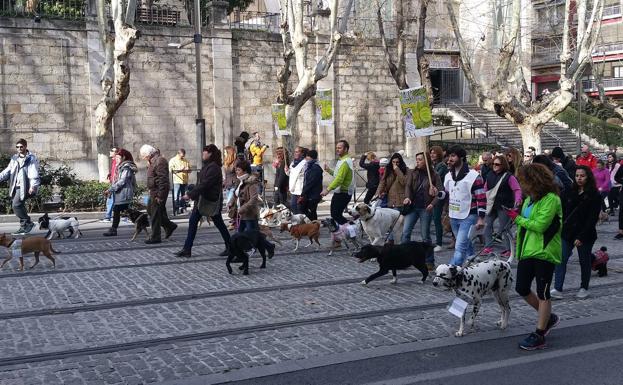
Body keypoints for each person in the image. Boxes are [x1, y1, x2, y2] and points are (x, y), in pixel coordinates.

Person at [507, 163, 562, 350]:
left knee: (543, 292)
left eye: (523, 181)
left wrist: (517, 218)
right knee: (521, 287)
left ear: (534, 181)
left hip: (544, 251)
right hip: (528, 250)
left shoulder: (552, 199)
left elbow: (540, 226)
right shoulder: (530, 199)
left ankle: (540, 333)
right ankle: (548, 317)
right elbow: (527, 224)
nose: (521, 185)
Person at [550, 165, 601, 300]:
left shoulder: (594, 195)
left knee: (584, 261)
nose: (579, 178)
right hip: (568, 232)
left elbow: (592, 219)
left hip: (585, 234)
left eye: (582, 176)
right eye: (577, 175)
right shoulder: (569, 192)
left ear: (588, 177)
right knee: (561, 259)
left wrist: (582, 236)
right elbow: (562, 211)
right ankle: (558, 288)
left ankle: (584, 287)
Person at [175, 145, 231, 258]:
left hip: (209, 201)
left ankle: (231, 246)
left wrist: (190, 195)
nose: (203, 154)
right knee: (193, 222)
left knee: (219, 223)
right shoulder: (209, 166)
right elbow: (201, 183)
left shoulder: (213, 168)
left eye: (204, 152)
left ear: (210, 153)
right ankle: (187, 249)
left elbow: (205, 184)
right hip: (202, 200)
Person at [441, 145, 486, 266]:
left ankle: (450, 271)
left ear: (461, 157)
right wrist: (437, 193)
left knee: (460, 246)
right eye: (449, 156)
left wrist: (481, 218)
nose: (449, 159)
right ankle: (472, 261)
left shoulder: (474, 176)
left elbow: (481, 198)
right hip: (454, 215)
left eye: (453, 156)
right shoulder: (448, 176)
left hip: (469, 215)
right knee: (466, 243)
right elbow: (446, 193)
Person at [402, 152, 442, 270]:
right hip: (413, 207)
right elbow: (408, 187)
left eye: (420, 159)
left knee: (425, 236)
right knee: (405, 233)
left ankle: (429, 261)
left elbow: (439, 193)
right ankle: (404, 258)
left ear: (426, 161)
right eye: (417, 159)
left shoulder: (434, 175)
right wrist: (407, 197)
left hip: (425, 207)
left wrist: (432, 203)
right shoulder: (413, 173)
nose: (417, 162)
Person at [229, 160, 275, 255]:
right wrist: (231, 202)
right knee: (240, 234)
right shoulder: (240, 181)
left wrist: (243, 208)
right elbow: (236, 194)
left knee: (252, 235)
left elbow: (254, 198)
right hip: (241, 213)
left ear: (245, 171)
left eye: (238, 170)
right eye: (236, 170)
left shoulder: (251, 183)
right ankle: (242, 252)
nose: (236, 172)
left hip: (249, 214)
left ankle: (265, 247)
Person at [482, 155, 522, 256]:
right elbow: (486, 188)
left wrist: (517, 200)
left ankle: (509, 250)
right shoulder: (490, 174)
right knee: (487, 225)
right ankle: (488, 247)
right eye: (493, 164)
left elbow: (517, 189)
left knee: (504, 228)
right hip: (492, 204)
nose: (494, 166)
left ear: (503, 165)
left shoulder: (509, 176)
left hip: (504, 205)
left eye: (497, 164)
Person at [0, 138, 40, 234]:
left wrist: (33, 186)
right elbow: (8, 170)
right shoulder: (14, 158)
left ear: (25, 146)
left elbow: (33, 172)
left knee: (16, 204)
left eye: (21, 146)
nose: (19, 148)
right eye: (17, 147)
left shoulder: (31, 158)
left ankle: (28, 222)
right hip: (15, 185)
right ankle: (24, 226)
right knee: (19, 205)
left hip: (25, 185)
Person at [141, 144, 177, 244]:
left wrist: (160, 196)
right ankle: (169, 226)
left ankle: (156, 236)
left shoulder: (160, 161)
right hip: (153, 191)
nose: (143, 158)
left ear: (148, 154)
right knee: (151, 211)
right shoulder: (152, 161)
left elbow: (163, 180)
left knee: (155, 214)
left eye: (143, 155)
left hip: (157, 192)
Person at [103, 149, 138, 237]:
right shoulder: (122, 166)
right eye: (116, 157)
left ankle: (113, 229)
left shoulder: (126, 167)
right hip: (121, 193)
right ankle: (142, 222)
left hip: (124, 193)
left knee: (118, 210)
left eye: (118, 157)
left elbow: (122, 181)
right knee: (126, 211)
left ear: (124, 157)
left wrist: (111, 189)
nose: (116, 159)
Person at [322, 140, 355, 226]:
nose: (337, 149)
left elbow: (339, 179)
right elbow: (337, 175)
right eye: (336, 148)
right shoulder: (342, 160)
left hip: (343, 192)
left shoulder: (345, 162)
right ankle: (346, 230)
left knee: (336, 215)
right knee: (336, 214)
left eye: (339, 148)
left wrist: (328, 189)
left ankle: (351, 228)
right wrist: (329, 170)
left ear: (346, 149)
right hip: (340, 191)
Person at [430, 146, 448, 252]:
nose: (432, 154)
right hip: (430, 195)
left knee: (437, 219)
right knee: (432, 219)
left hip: (439, 195)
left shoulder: (442, 166)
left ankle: (439, 243)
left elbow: (435, 178)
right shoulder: (432, 165)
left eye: (434, 153)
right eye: (431, 153)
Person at [300, 150, 323, 220]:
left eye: (307, 156)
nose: (306, 158)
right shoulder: (309, 166)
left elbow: (310, 182)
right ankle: (312, 226)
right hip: (309, 194)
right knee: (308, 211)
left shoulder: (315, 168)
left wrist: (303, 193)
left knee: (311, 212)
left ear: (311, 157)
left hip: (313, 194)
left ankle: (313, 227)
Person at [169, 148, 191, 215]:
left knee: (184, 195)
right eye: (182, 156)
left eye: (184, 156)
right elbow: (171, 170)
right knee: (177, 195)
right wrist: (180, 170)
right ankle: (176, 209)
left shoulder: (185, 160)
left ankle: (183, 208)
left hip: (184, 180)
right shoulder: (173, 160)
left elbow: (190, 170)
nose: (183, 157)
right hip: (177, 180)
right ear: (178, 154)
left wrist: (188, 169)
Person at [288, 146, 308, 214]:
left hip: (300, 190)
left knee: (300, 209)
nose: (295, 153)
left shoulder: (305, 163)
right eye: (295, 152)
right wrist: (287, 171)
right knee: (293, 207)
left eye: (297, 152)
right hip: (294, 189)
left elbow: (304, 176)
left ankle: (302, 224)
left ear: (302, 153)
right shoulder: (293, 162)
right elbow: (291, 174)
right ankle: (296, 223)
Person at [102, 147, 118, 222]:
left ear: (116, 153)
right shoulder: (114, 161)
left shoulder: (117, 161)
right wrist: (110, 175)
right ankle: (108, 216)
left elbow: (116, 172)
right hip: (113, 183)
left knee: (110, 200)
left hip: (115, 184)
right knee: (112, 200)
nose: (110, 151)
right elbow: (113, 171)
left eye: (112, 151)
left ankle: (108, 217)